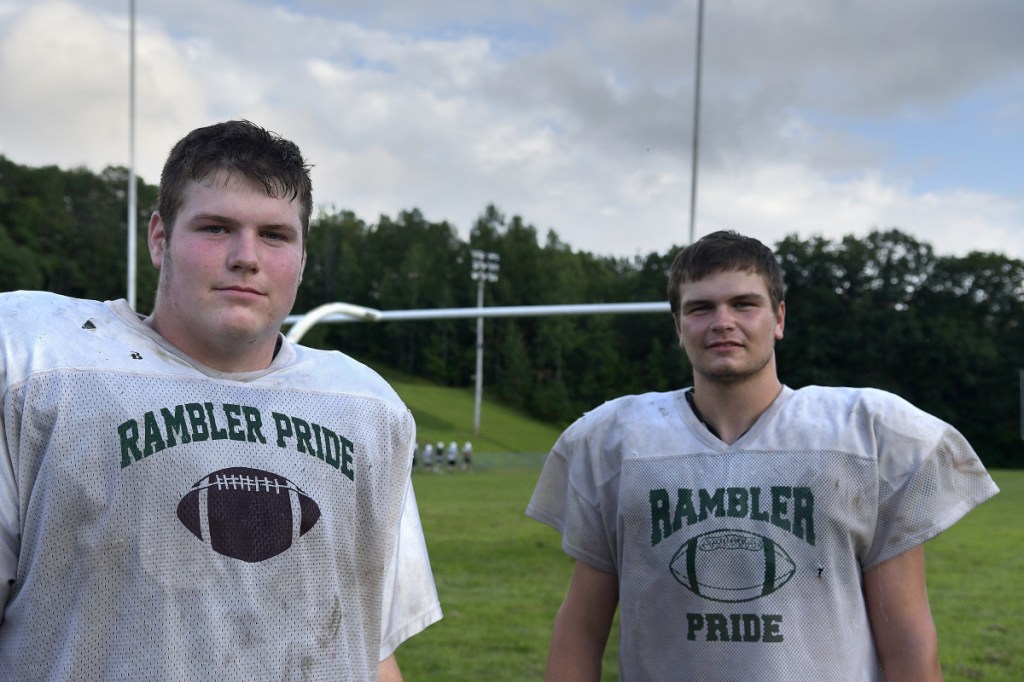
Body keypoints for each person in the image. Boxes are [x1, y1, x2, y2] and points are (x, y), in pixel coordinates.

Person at [0, 120, 441, 680]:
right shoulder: (39, 366)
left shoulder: (365, 408)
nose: (245, 257)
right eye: (215, 228)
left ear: (302, 259)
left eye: (275, 236)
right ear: (160, 238)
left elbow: (368, 644)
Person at [526, 230, 999, 681]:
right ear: (678, 326)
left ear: (779, 318)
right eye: (700, 308)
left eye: (744, 304)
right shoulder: (616, 441)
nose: (722, 321)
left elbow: (908, 639)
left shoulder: (865, 433)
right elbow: (581, 630)